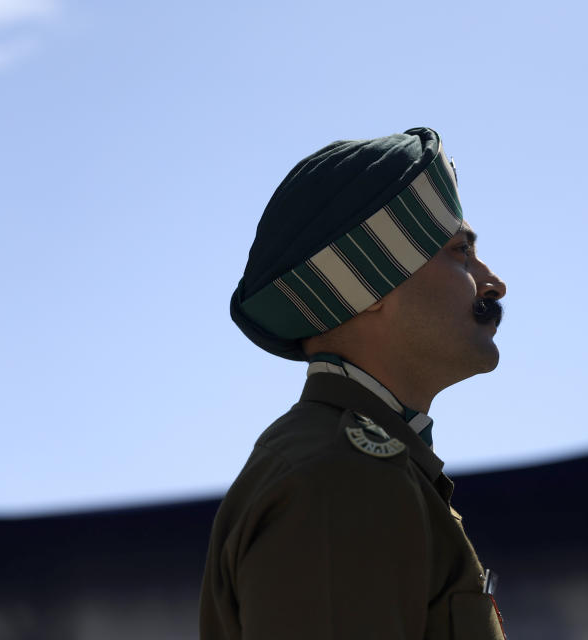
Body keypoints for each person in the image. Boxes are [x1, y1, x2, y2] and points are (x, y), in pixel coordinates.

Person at [200, 127, 508, 639]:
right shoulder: (338, 480)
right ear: (371, 287)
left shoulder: (357, 469)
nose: (493, 282)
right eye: (459, 251)